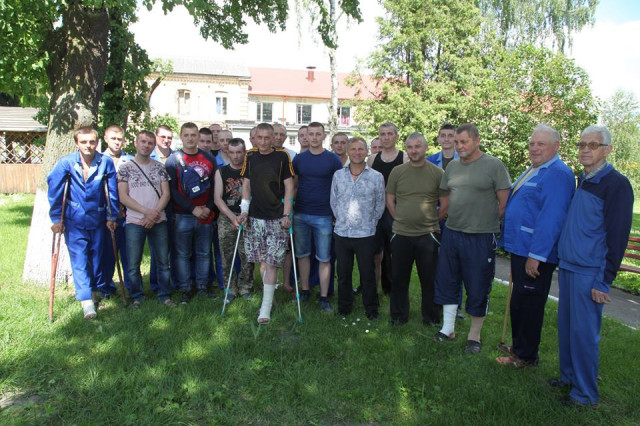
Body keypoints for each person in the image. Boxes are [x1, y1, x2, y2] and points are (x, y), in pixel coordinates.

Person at [553, 125, 633, 407]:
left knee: (584, 334)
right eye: (581, 144)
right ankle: (568, 377)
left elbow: (617, 237)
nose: (585, 149)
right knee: (567, 329)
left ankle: (585, 394)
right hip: (569, 266)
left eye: (593, 145)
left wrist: (604, 279)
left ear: (607, 150)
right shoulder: (584, 179)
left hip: (589, 272)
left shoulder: (616, 185)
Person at [496, 124, 575, 368]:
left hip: (534, 251)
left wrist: (537, 255)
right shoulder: (535, 168)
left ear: (556, 146)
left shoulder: (557, 174)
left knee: (529, 304)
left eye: (541, 144)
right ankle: (520, 347)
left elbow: (552, 218)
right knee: (520, 300)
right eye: (532, 143)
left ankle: (526, 356)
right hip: (522, 247)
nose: (535, 148)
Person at [433, 123, 511, 354]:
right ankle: (447, 328)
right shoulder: (453, 166)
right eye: (456, 142)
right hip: (452, 232)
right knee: (448, 280)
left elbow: (504, 203)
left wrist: (483, 222)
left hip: (480, 237)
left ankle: (474, 336)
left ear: (477, 140)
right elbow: (446, 196)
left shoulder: (494, 165)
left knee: (478, 285)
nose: (459, 146)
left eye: (463, 141)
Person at [47, 126, 119, 319]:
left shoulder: (105, 162)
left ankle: (94, 291)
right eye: (84, 142)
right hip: (74, 221)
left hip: (98, 219)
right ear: (76, 143)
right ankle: (87, 302)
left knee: (96, 259)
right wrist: (56, 218)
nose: (88, 146)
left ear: (97, 142)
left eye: (92, 142)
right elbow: (55, 189)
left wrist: (112, 217)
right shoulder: (66, 163)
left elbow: (112, 192)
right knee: (79, 259)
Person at [239, 122, 294, 323]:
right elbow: (246, 185)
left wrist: (286, 214)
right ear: (254, 138)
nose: (263, 142)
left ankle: (265, 308)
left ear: (273, 138)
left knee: (272, 262)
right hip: (255, 217)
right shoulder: (250, 156)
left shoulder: (282, 156)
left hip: (277, 217)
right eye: (259, 138)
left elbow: (289, 187)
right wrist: (244, 210)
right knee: (261, 261)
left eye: (267, 138)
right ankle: (268, 299)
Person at [387, 132, 444, 325]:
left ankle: (431, 317)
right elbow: (389, 199)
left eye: (417, 146)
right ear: (406, 149)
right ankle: (398, 316)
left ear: (425, 147)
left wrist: (431, 221)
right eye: (410, 147)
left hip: (428, 235)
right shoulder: (397, 171)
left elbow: (446, 203)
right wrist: (399, 218)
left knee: (429, 279)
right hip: (401, 234)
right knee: (399, 278)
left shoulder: (437, 173)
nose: (414, 150)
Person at [117, 130, 177, 308]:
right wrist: (146, 212)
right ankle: (137, 296)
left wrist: (155, 213)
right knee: (133, 263)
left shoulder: (159, 167)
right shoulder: (125, 168)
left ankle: (164, 295)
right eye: (143, 142)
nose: (146, 146)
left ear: (153, 146)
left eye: (150, 143)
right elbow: (123, 196)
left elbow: (166, 194)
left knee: (163, 262)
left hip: (159, 220)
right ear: (136, 143)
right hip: (134, 221)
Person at [331, 137, 385, 319]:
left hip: (366, 233)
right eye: (353, 149)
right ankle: (344, 307)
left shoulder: (376, 177)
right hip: (342, 232)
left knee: (367, 274)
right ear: (348, 151)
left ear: (366, 151)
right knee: (343, 273)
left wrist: (369, 222)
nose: (357, 152)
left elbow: (380, 205)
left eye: (360, 149)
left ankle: (371, 309)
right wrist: (343, 219)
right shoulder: (338, 175)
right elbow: (333, 201)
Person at [292, 121, 343, 312]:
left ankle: (323, 296)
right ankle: (305, 290)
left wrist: (336, 213)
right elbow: (294, 185)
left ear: (324, 136)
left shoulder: (333, 160)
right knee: (303, 255)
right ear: (306, 136)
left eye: (317, 134)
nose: (313, 137)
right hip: (301, 214)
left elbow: (339, 187)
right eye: (310, 134)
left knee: (324, 257)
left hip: (324, 215)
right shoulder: (299, 159)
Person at [165, 122, 217, 304]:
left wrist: (208, 207)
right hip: (183, 215)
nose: (190, 138)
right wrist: (192, 208)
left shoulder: (209, 158)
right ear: (181, 137)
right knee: (183, 254)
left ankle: (202, 287)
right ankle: (185, 289)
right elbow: (172, 190)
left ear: (198, 136)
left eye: (193, 135)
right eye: (186, 135)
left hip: (205, 213)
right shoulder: (173, 160)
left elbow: (214, 186)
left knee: (204, 253)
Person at [427, 123, 464, 319]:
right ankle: (437, 300)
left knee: (456, 263)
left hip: (458, 218)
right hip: (436, 217)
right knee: (434, 262)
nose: (447, 139)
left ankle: (456, 306)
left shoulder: (465, 159)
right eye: (444, 135)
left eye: (451, 135)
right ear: (439, 138)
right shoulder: (430, 161)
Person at [367, 122, 408, 295]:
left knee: (397, 254)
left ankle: (397, 292)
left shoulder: (404, 158)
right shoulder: (372, 159)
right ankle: (374, 292)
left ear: (396, 137)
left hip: (396, 212)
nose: (386, 137)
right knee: (375, 255)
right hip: (376, 213)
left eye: (389, 134)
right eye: (382, 134)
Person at [214, 138, 255, 302]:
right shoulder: (221, 172)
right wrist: (232, 217)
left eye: (239, 152)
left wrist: (244, 214)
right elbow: (217, 198)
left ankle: (245, 287)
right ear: (227, 152)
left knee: (247, 256)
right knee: (226, 255)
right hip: (227, 218)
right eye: (232, 152)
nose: (235, 156)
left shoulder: (251, 170)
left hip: (248, 217)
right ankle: (230, 288)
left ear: (244, 152)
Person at [101, 124, 133, 296]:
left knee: (128, 253)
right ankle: (106, 287)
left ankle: (130, 286)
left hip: (127, 214)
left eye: (119, 139)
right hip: (106, 215)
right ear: (106, 138)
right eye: (113, 138)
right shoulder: (99, 160)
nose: (116, 142)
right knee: (108, 254)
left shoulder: (130, 160)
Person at [149, 124, 177, 292]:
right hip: (155, 208)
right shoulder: (149, 157)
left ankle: (173, 281)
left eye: (169, 137)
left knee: (174, 247)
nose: (166, 140)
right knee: (157, 250)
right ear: (156, 137)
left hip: (174, 207)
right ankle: (156, 284)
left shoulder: (176, 156)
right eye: (163, 137)